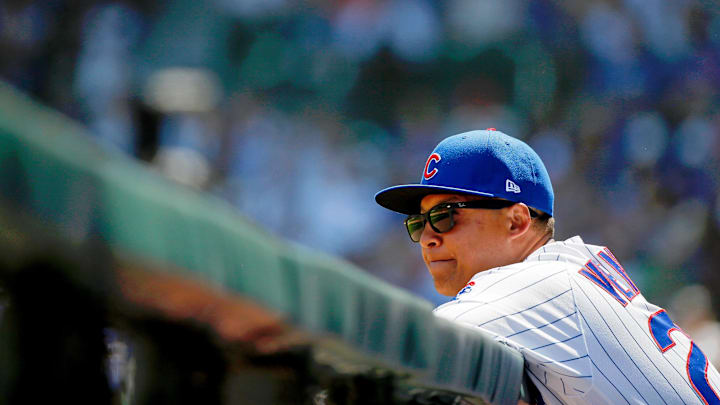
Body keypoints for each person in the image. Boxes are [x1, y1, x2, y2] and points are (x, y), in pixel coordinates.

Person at [375, 129, 720, 405]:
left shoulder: (536, 284)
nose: (427, 238)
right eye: (419, 223)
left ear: (516, 222)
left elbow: (400, 352)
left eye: (444, 216)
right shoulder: (569, 272)